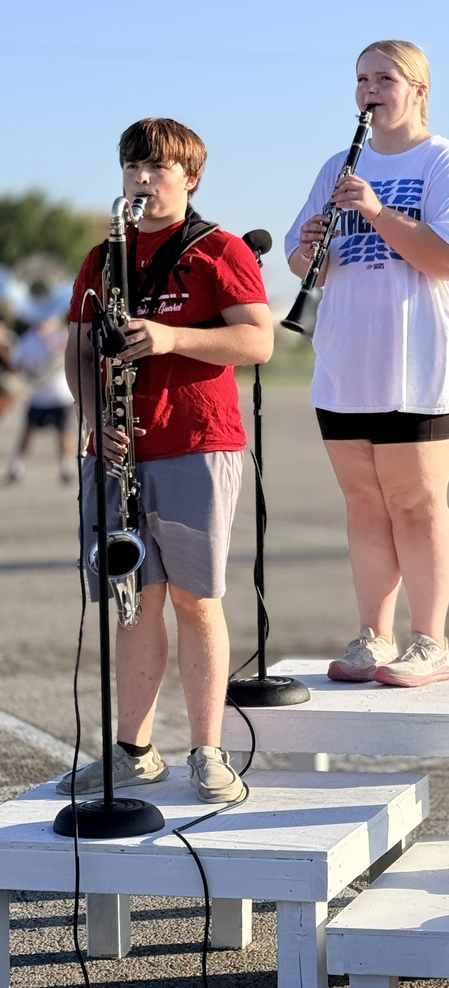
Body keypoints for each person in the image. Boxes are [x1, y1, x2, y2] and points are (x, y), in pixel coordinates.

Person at [58, 118, 273, 803]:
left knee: (195, 598)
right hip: (118, 449)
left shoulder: (218, 249)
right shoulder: (103, 257)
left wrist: (171, 337)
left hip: (194, 442)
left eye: (155, 168)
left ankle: (207, 751)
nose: (142, 180)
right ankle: (133, 750)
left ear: (190, 178)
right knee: (131, 602)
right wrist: (95, 418)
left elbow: (258, 341)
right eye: (131, 168)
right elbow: (77, 351)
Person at [285, 40, 449, 688]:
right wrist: (312, 244)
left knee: (417, 503)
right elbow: (297, 258)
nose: (369, 89)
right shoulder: (334, 167)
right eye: (361, 79)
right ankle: (375, 635)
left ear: (418, 90)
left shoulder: (444, 162)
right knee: (364, 504)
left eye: (384, 77)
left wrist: (374, 211)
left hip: (417, 361)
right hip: (348, 357)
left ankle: (430, 641)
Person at [5, 314, 76, 484]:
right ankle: (17, 465)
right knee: (28, 430)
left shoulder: (62, 335)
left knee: (65, 432)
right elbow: (16, 365)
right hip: (38, 395)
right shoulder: (28, 339)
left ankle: (67, 467)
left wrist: (57, 348)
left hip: (61, 395)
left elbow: (75, 355)